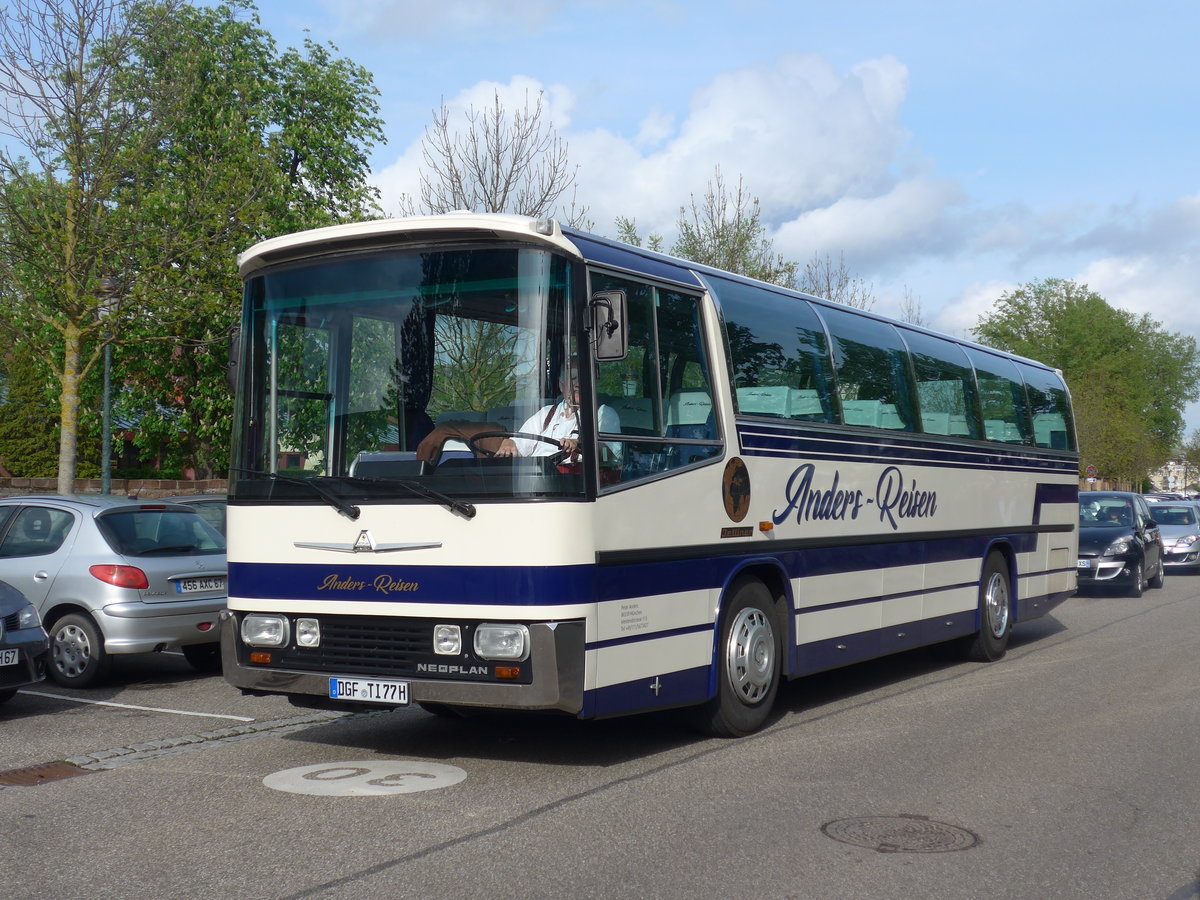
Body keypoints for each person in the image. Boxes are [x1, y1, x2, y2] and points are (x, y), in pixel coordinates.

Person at [495, 365, 621, 464]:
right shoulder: (546, 413)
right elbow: (520, 445)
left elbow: (609, 454)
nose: (577, 384)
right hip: (536, 480)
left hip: (575, 483)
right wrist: (510, 443)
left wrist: (581, 446)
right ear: (561, 386)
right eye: (572, 379)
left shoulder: (604, 414)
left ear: (593, 383)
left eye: (583, 378)